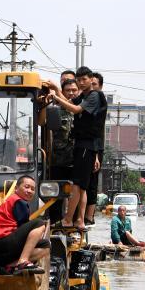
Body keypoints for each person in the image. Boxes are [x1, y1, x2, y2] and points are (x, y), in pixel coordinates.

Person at [44, 66, 104, 231]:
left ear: (91, 80)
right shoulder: (83, 97)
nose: (81, 83)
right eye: (79, 80)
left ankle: (71, 220)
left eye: (84, 79)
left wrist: (56, 95)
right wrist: (56, 91)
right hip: (70, 152)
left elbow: (75, 109)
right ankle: (75, 220)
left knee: (79, 186)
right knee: (79, 187)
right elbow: (69, 103)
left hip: (86, 146)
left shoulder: (94, 96)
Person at [0, 175, 49, 273]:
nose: (30, 191)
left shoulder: (15, 201)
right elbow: (24, 228)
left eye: (33, 189)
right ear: (16, 188)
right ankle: (22, 262)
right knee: (39, 223)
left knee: (45, 246)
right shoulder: (18, 201)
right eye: (26, 187)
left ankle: (10, 266)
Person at [84, 71, 106, 225]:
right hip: (80, 147)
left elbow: (96, 132)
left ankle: (88, 217)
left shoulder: (99, 102)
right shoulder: (82, 100)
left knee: (90, 183)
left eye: (94, 85)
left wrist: (97, 155)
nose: (91, 87)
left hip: (95, 147)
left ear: (100, 87)